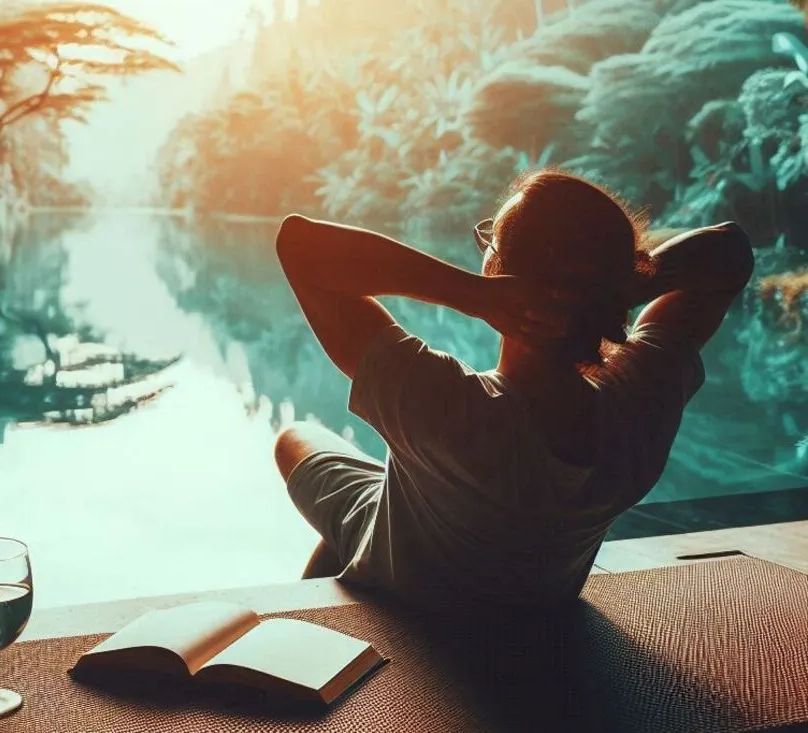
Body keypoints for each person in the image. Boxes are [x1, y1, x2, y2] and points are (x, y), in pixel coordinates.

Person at [273, 169, 755, 608]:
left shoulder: (443, 408)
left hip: (416, 618)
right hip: (531, 604)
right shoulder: (642, 400)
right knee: (392, 485)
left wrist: (472, 295)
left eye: (490, 242)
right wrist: (622, 288)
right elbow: (730, 250)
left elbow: (300, 244)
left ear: (497, 272)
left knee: (293, 438)